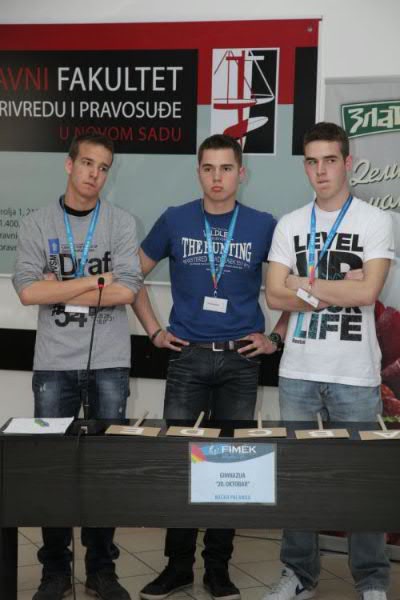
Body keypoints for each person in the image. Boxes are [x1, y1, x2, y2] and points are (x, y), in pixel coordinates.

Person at [132, 133, 288, 600]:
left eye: (226, 168)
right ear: (198, 172)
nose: (217, 178)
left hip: (241, 359)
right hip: (188, 357)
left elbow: (292, 288)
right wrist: (153, 331)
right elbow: (130, 275)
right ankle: (177, 566)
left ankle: (218, 569)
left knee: (231, 466)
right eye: (208, 168)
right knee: (181, 462)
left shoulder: (264, 225)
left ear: (241, 173)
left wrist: (276, 336)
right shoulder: (175, 219)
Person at [265, 122, 394, 600]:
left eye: (330, 160)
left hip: (354, 374)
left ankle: (372, 580)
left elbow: (368, 292)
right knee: (297, 478)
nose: (321, 171)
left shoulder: (375, 220)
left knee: (362, 482)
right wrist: (338, 287)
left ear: (347, 162)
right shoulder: (290, 224)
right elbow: (273, 295)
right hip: (298, 371)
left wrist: (301, 284)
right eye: (312, 161)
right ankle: (298, 575)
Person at [13, 133, 142, 600]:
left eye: (103, 167)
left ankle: (102, 570)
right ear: (69, 165)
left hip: (109, 362)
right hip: (53, 365)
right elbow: (28, 292)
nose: (94, 174)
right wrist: (95, 280)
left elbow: (127, 290)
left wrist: (61, 286)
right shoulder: (36, 223)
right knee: (53, 468)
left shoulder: (121, 223)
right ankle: (54, 570)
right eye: (87, 163)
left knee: (104, 469)